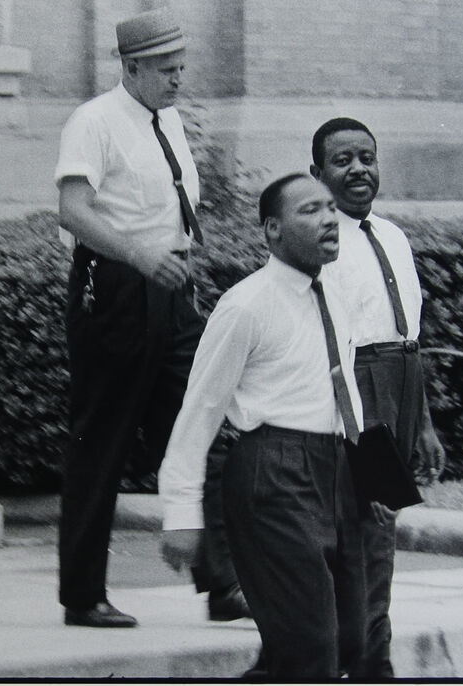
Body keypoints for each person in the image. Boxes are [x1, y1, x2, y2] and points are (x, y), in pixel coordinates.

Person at [53, 7, 245, 628]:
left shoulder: (166, 120)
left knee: (197, 427)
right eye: (166, 69)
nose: (177, 79)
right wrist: (139, 255)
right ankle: (83, 595)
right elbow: (73, 211)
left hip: (170, 288)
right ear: (131, 67)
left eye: (182, 67)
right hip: (111, 286)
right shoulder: (95, 121)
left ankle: (220, 583)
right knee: (100, 440)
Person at [159, 173, 368, 678]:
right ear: (272, 230)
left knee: (347, 641)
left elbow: (340, 392)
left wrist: (369, 474)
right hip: (274, 474)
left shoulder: (336, 294)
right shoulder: (245, 305)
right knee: (311, 646)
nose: (328, 219)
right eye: (309, 211)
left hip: (336, 472)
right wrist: (181, 513)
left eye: (330, 208)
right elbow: (200, 409)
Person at [311, 116, 447, 677]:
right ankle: (368, 662)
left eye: (367, 157)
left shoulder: (393, 236)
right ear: (317, 173)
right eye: (342, 160)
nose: (358, 169)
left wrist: (425, 424)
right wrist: (358, 429)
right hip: (358, 393)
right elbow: (331, 340)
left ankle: (362, 655)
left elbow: (407, 336)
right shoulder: (321, 240)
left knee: (379, 527)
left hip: (402, 387)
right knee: (368, 528)